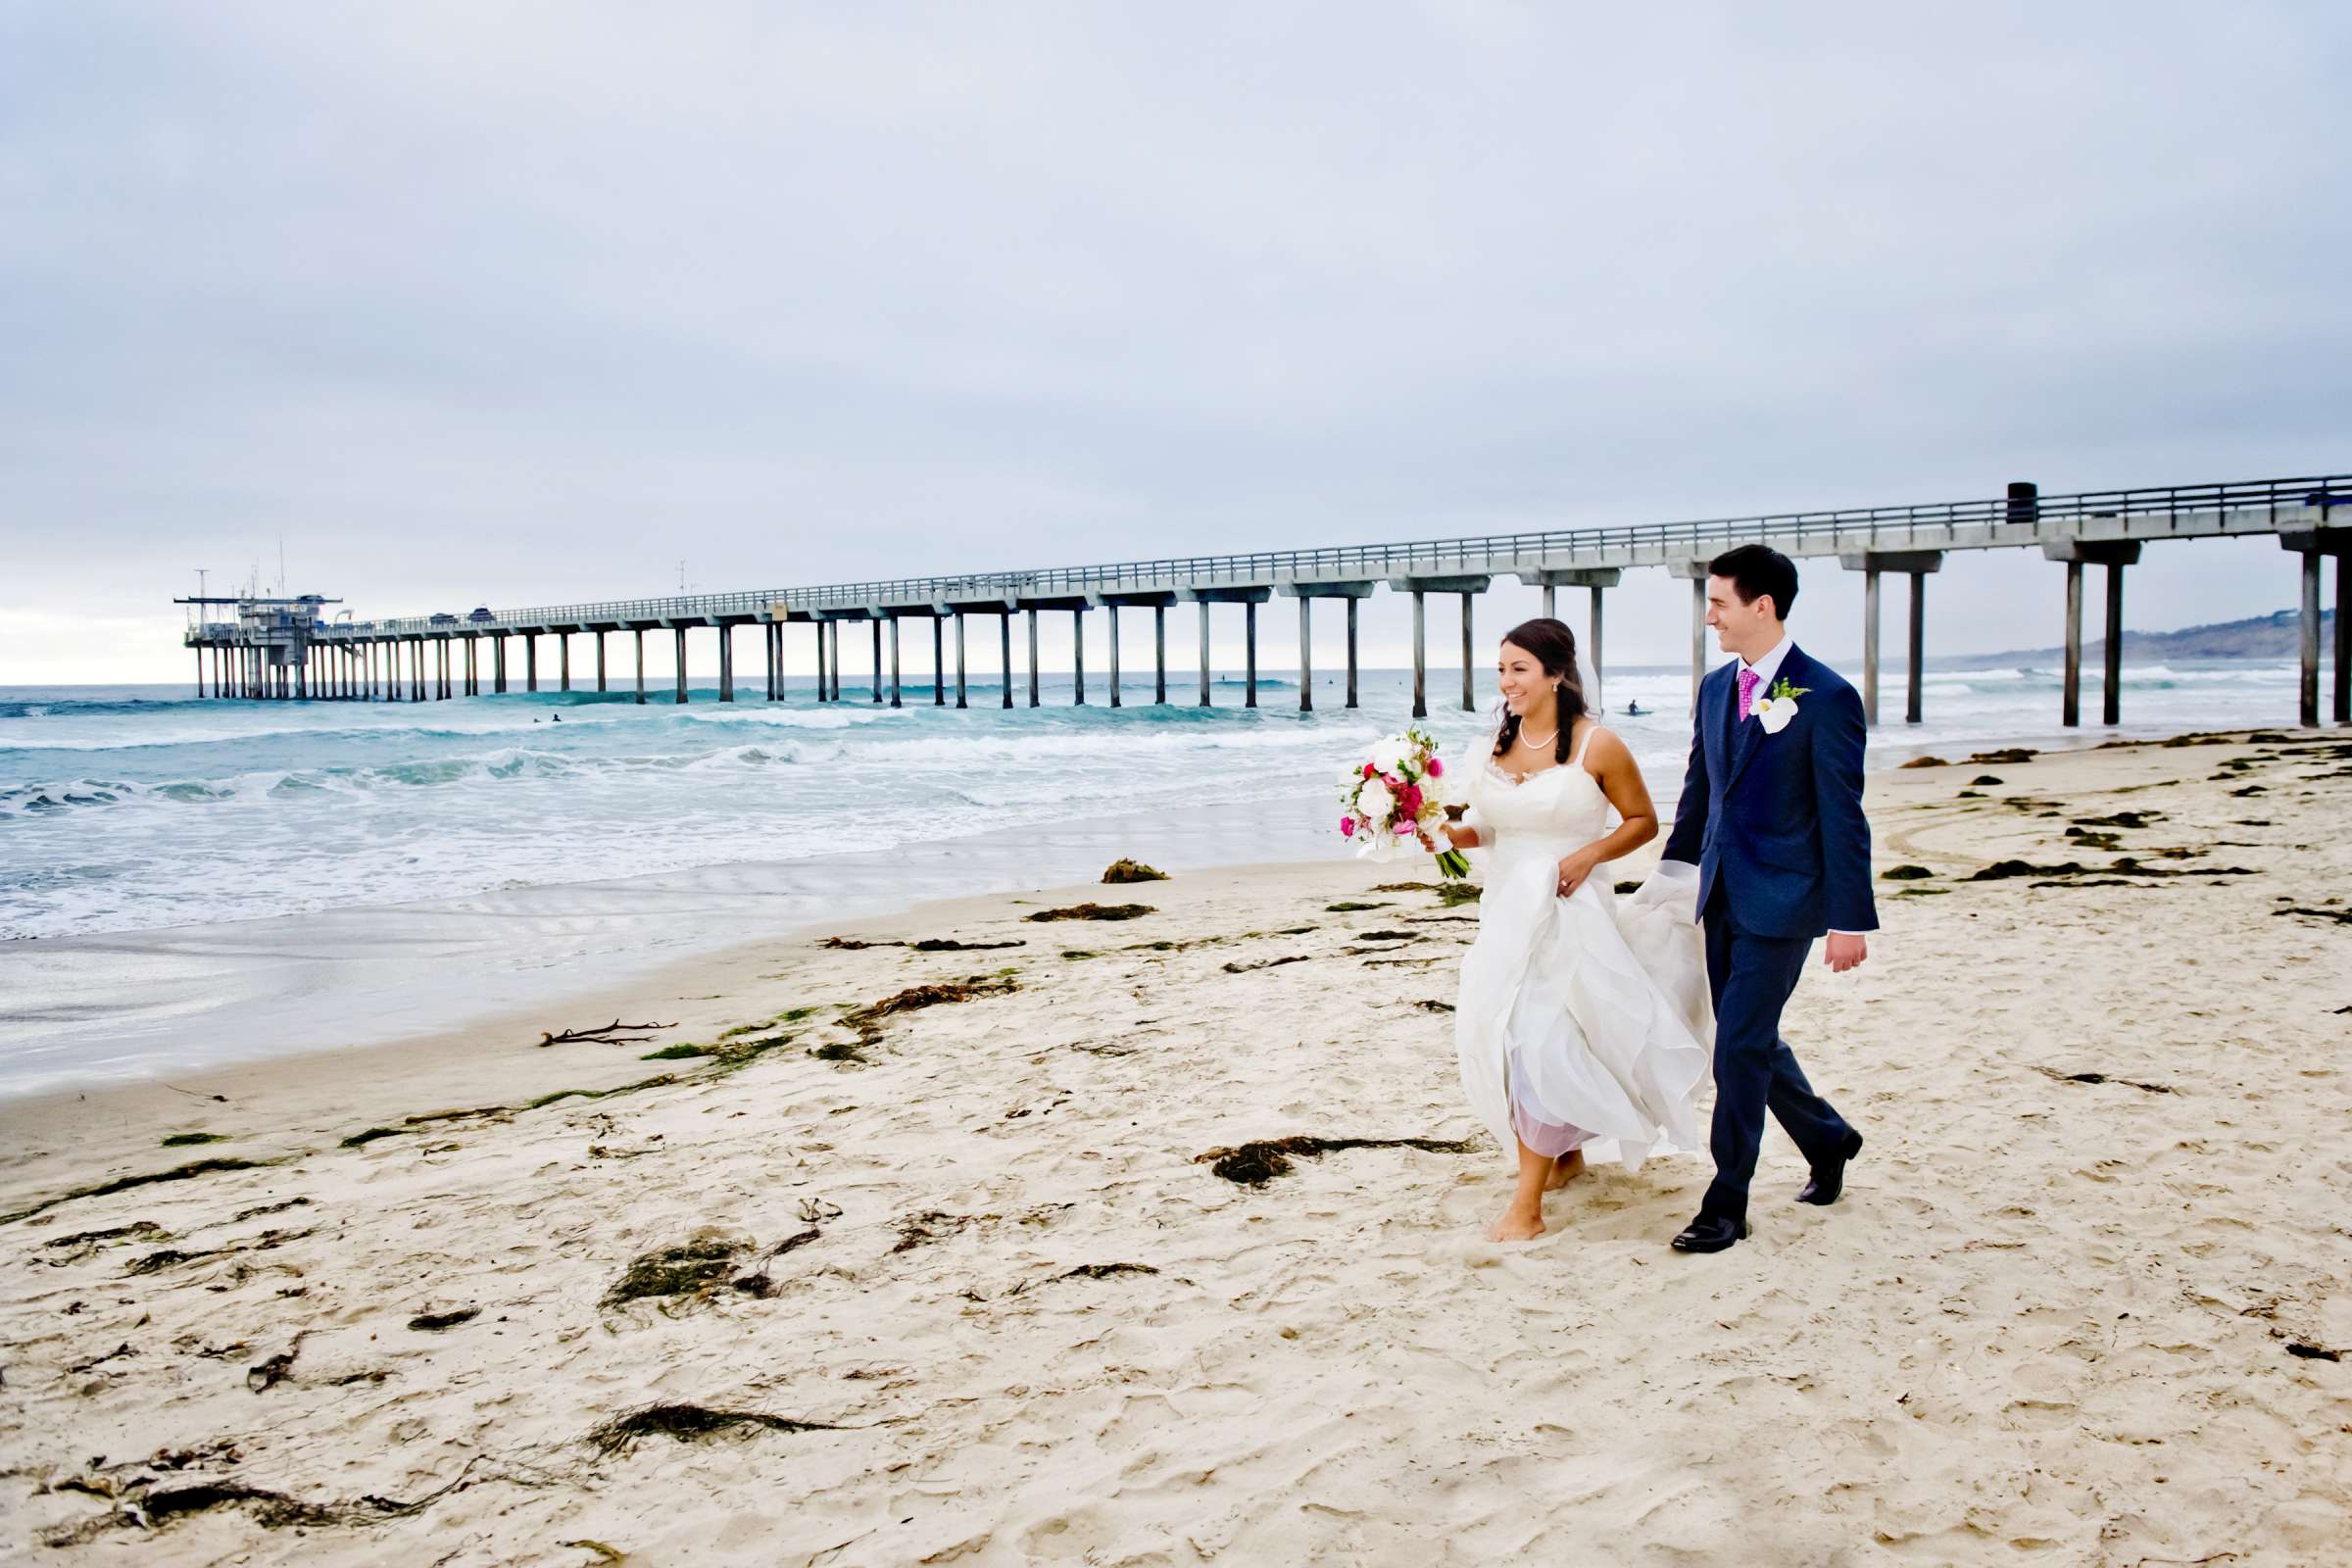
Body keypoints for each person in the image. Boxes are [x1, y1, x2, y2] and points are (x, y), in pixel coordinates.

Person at [1429, 618, 1711, 1243]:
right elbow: (1487, 828)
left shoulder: (1597, 745)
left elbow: (1642, 821)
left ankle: (1526, 1205)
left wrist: (1588, 856)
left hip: (1572, 910)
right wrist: (1438, 833)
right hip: (1507, 910)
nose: (1507, 682)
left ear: (1557, 673)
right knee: (1505, 1035)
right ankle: (1566, 1154)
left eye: (1520, 669)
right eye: (1502, 669)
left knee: (1541, 1036)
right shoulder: (1493, 747)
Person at [1657, 544, 1874, 1255]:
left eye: (1719, 602)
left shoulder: (1829, 696)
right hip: (1720, 890)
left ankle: (1727, 1203)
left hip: (1787, 899)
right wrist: (1672, 873)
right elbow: (1701, 790)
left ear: (1763, 606)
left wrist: (1849, 918)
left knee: (1740, 1045)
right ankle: (1829, 1138)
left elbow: (1843, 813)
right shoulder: (1716, 688)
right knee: (1749, 1042)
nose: (1708, 615)